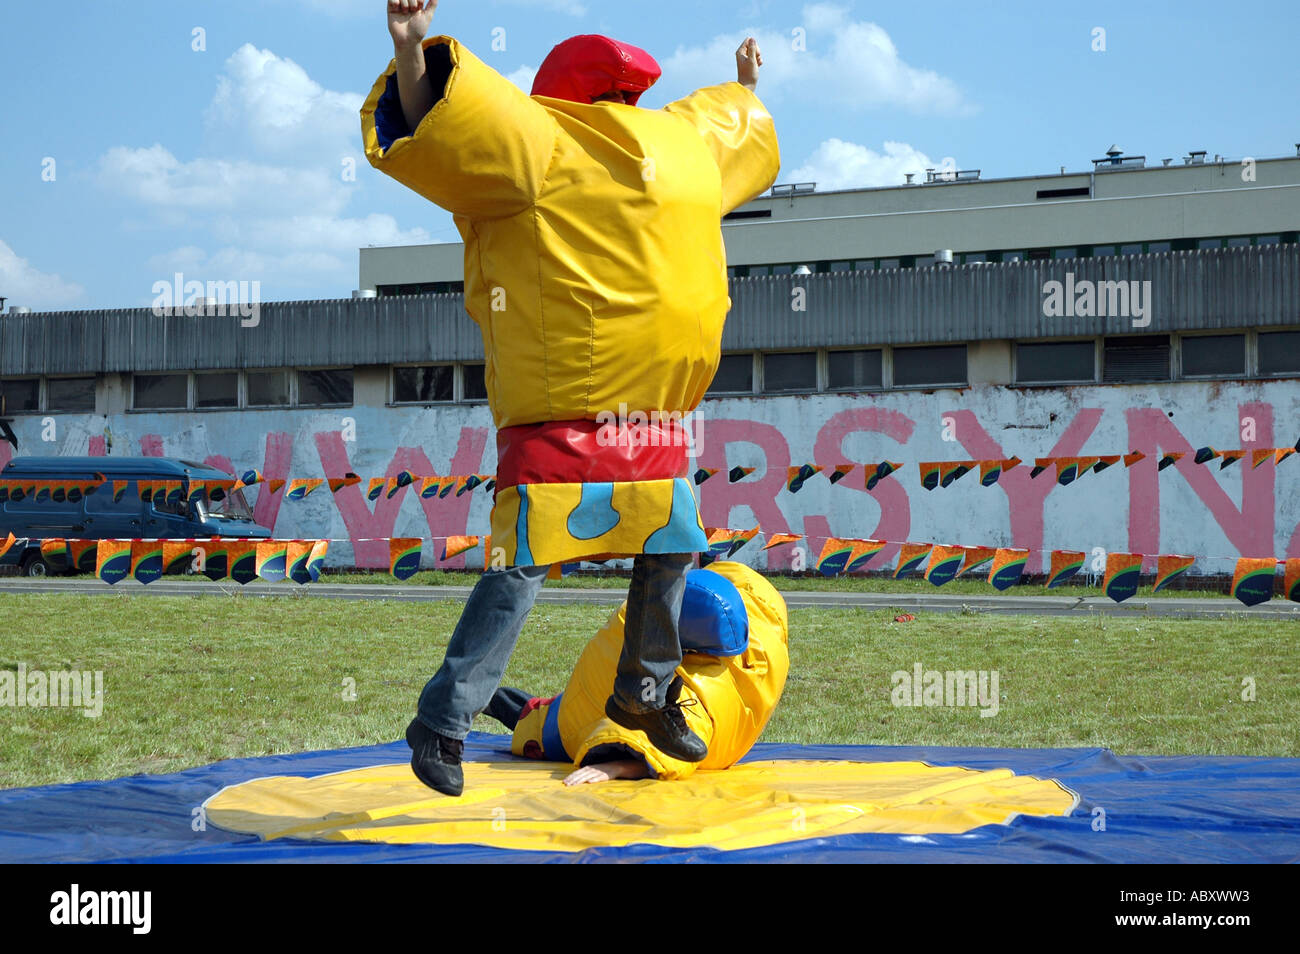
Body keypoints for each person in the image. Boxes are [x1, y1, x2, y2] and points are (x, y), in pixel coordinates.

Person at [361, 0, 780, 796]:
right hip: (584, 418)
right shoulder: (564, 140)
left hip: (643, 421)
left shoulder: (614, 143)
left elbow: (437, 122)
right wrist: (411, 45)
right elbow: (442, 122)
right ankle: (445, 720)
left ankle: (644, 694)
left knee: (660, 553)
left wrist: (743, 88)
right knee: (528, 566)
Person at [484, 561, 789, 786]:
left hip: (577, 720)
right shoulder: (758, 624)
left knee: (541, 726)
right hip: (590, 703)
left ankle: (494, 704)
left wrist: (619, 765)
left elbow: (675, 738)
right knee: (549, 718)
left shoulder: (699, 684)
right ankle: (493, 703)